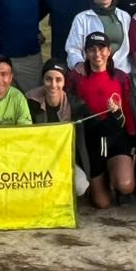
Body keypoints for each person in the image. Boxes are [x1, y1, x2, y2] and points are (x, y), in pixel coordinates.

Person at [68, 32, 136, 209]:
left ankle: (119, 179)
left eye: (101, 49)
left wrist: (133, 138)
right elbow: (70, 105)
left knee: (125, 184)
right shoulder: (77, 77)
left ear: (109, 51)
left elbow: (128, 109)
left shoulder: (121, 77)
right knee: (101, 203)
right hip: (92, 140)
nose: (97, 54)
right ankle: (102, 179)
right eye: (91, 50)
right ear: (85, 52)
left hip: (115, 137)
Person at [25, 59, 92, 197]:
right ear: (42, 79)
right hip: (38, 158)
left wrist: (114, 113)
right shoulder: (30, 101)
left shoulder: (76, 105)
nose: (53, 85)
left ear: (64, 82)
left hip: (66, 158)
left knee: (80, 187)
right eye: (48, 79)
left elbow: (94, 128)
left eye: (58, 79)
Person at [66, 0, 133, 75]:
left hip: (122, 74)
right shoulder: (82, 18)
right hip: (92, 74)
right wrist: (79, 64)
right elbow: (73, 48)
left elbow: (131, 50)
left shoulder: (125, 17)